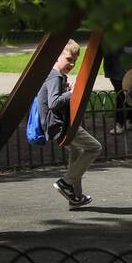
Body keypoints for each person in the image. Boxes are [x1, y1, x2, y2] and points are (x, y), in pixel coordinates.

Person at [38, 40, 102, 209]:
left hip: (54, 125)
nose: (72, 64)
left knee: (76, 152)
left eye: (74, 61)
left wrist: (66, 89)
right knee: (94, 148)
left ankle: (76, 196)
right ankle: (66, 183)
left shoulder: (53, 75)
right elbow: (53, 103)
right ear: (56, 57)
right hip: (59, 125)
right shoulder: (56, 76)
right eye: (68, 59)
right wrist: (72, 93)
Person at [104, 43, 132, 135]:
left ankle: (120, 123)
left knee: (122, 92)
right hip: (114, 55)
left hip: (123, 57)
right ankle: (131, 119)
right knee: (123, 90)